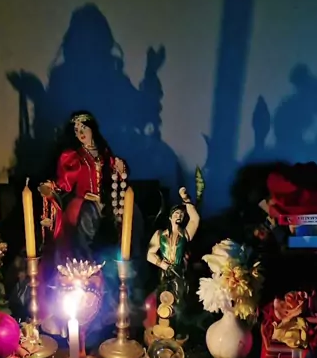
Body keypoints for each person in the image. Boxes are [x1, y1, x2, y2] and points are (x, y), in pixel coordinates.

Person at [39, 111, 137, 263]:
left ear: (92, 129)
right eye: (77, 130)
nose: (81, 133)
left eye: (84, 128)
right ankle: (85, 262)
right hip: (83, 202)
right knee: (87, 217)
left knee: (130, 213)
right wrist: (51, 186)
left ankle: (117, 262)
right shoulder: (73, 156)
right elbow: (65, 182)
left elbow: (117, 175)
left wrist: (120, 168)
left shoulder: (104, 153)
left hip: (105, 201)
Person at [147, 187, 200, 335]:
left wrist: (186, 200)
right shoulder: (160, 235)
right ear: (170, 217)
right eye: (176, 213)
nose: (179, 216)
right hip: (164, 272)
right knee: (162, 300)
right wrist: (161, 263)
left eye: (181, 215)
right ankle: (161, 330)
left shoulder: (185, 234)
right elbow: (150, 253)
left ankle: (178, 331)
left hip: (179, 272)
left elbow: (195, 219)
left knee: (179, 302)